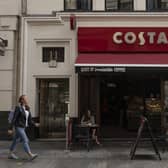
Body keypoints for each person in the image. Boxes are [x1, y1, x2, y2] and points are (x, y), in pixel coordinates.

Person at [8, 95, 39, 160]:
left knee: (16, 140)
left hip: (23, 127)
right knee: (25, 140)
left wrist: (34, 124)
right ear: (22, 100)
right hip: (18, 127)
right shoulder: (18, 108)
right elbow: (14, 118)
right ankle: (30, 155)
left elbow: (30, 120)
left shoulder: (27, 108)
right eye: (25, 99)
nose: (27, 100)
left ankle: (10, 154)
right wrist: (10, 128)